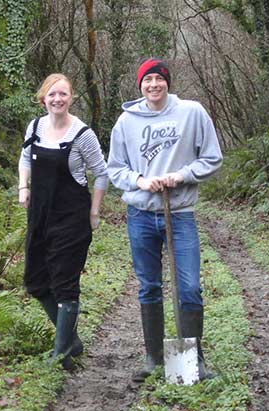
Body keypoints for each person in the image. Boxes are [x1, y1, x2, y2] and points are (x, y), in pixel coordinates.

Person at [107, 58, 223, 382]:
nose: (153, 85)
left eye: (159, 79)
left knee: (189, 287)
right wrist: (140, 180)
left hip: (180, 213)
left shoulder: (192, 112)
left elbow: (212, 157)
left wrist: (181, 175)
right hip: (141, 215)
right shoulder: (125, 122)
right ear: (140, 84)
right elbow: (115, 168)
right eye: (148, 80)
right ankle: (153, 358)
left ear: (168, 82)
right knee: (149, 286)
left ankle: (195, 360)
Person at [18, 73, 109, 369]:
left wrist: (94, 212)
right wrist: (24, 186)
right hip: (40, 216)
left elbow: (101, 173)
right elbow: (25, 158)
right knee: (36, 282)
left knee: (64, 283)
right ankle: (70, 338)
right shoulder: (34, 127)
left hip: (72, 218)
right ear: (43, 98)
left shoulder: (83, 134)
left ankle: (60, 356)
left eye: (63, 94)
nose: (57, 99)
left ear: (71, 98)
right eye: (52, 94)